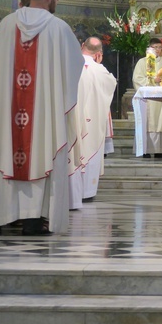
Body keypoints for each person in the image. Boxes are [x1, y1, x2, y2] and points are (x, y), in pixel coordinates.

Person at [0, 0, 84, 235]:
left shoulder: (5, 25)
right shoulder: (59, 29)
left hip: (9, 113)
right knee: (42, 151)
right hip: (42, 117)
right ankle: (34, 219)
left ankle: (3, 215)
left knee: (8, 150)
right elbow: (75, 67)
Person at [69, 37, 116, 208]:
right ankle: (87, 192)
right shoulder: (101, 71)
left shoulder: (69, 65)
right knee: (91, 151)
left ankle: (70, 194)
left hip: (72, 121)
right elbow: (110, 86)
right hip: (92, 124)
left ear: (82, 46)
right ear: (99, 54)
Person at [132, 37, 162, 158]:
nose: (158, 50)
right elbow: (137, 79)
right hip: (148, 99)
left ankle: (161, 150)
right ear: (149, 48)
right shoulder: (143, 62)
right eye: (155, 47)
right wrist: (152, 80)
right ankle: (145, 150)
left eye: (159, 47)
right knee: (148, 122)